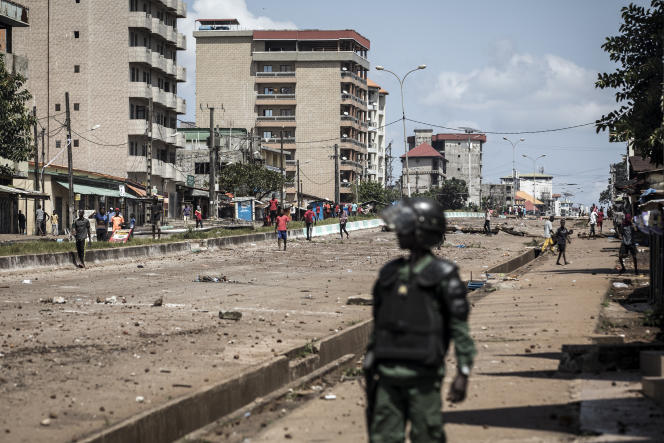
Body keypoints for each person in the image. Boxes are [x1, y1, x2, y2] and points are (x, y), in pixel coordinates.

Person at [364, 198, 476, 442]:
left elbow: (459, 328)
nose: (399, 231)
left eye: (405, 226)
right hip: (387, 373)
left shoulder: (443, 276)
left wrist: (463, 372)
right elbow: (380, 322)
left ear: (423, 231)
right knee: (383, 437)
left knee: (426, 435)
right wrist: (370, 358)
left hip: (423, 376)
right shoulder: (390, 274)